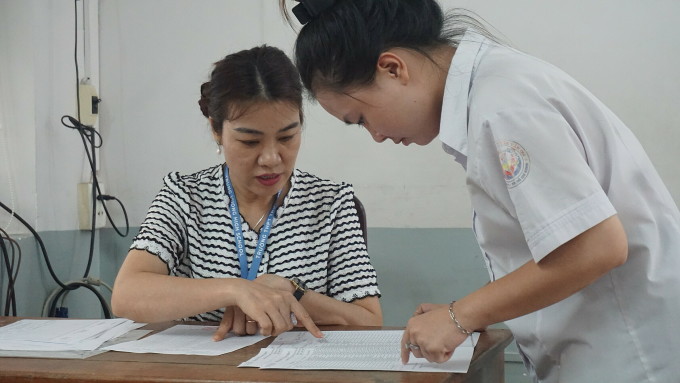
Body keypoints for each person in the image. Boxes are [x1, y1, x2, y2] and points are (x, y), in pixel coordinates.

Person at [279, 1, 680, 382]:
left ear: (392, 68)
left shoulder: (501, 104)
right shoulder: (494, 88)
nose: (378, 136)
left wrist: (460, 316)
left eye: (362, 118)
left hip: (632, 356)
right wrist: (472, 310)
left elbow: (597, 246)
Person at [111, 45, 382, 340]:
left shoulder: (330, 203)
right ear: (217, 130)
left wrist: (293, 292)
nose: (271, 158)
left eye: (287, 137)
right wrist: (235, 290)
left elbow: (369, 320)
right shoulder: (185, 196)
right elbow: (126, 295)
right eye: (250, 142)